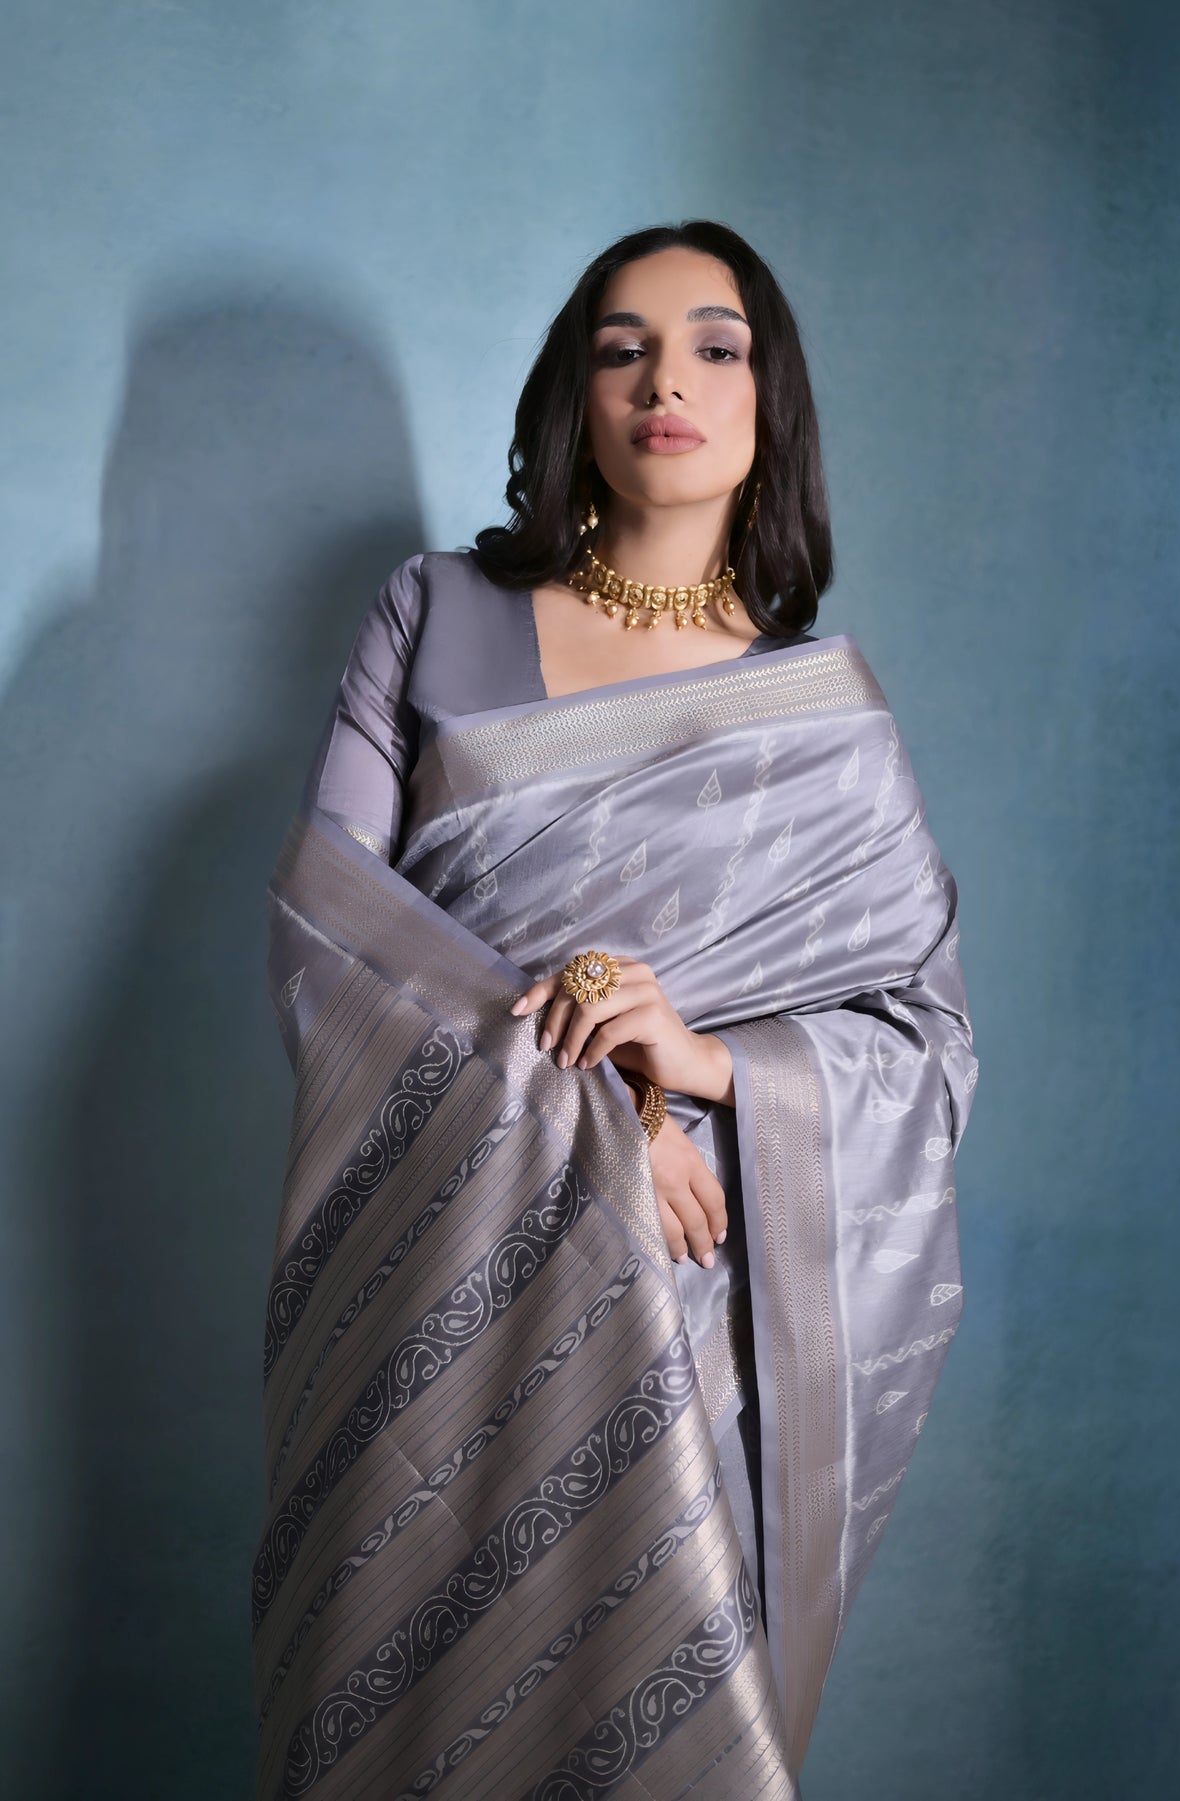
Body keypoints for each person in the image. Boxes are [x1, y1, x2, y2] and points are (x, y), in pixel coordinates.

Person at [250, 220, 979, 1801]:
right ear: (574, 394)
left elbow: (924, 1050)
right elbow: (330, 931)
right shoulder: (432, 611)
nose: (668, 380)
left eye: (717, 345)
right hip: (446, 1274)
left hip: (694, 1300)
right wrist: (600, 1119)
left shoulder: (829, 729)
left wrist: (704, 1066)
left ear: (769, 402)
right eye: (620, 344)